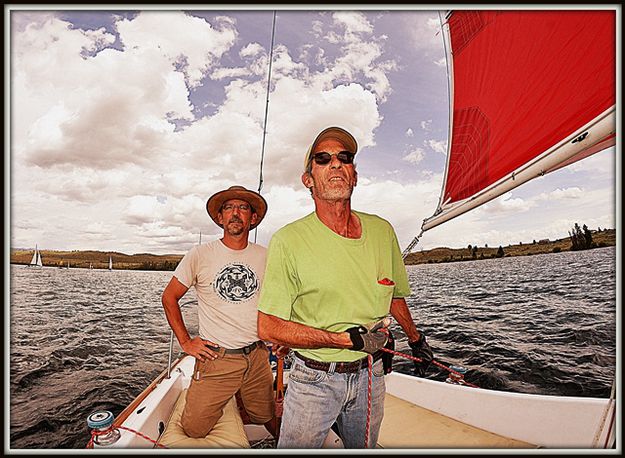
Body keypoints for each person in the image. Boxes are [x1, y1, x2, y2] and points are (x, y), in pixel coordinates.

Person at [257, 126, 434, 448]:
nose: (336, 164)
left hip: (372, 374)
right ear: (308, 179)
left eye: (345, 158)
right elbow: (269, 328)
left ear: (354, 175)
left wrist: (416, 339)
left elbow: (393, 294)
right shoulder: (288, 240)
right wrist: (347, 340)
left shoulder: (382, 231)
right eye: (323, 159)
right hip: (313, 379)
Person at [161, 185, 280, 439]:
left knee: (268, 417)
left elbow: (277, 302)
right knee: (193, 429)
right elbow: (169, 297)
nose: (235, 213)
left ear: (253, 218)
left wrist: (282, 338)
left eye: (243, 208)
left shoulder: (267, 256)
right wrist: (185, 341)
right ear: (220, 217)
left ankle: (282, 441)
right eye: (229, 208)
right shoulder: (200, 254)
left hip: (258, 355)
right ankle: (229, 401)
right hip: (217, 358)